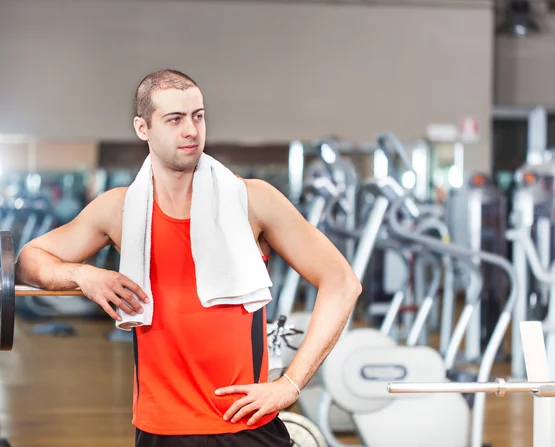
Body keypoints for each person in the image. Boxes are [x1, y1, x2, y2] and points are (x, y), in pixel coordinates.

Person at [14, 69, 362, 447]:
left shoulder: (253, 201)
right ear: (142, 127)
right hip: (161, 430)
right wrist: (85, 275)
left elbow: (342, 282)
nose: (192, 131)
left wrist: (289, 385)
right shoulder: (119, 209)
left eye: (198, 116)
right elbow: (30, 259)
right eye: (174, 119)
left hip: (247, 424)